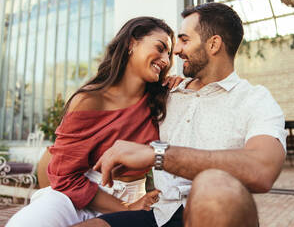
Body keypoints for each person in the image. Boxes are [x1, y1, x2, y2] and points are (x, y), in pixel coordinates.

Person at [74, 2, 287, 227]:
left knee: (214, 187)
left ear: (214, 44)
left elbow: (262, 169)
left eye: (185, 40)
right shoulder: (166, 92)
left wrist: (158, 155)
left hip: (214, 213)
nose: (175, 51)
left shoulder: (255, 99)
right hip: (159, 214)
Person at [7, 16, 178, 227]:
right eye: (160, 48)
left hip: (135, 201)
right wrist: (124, 208)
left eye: (169, 54)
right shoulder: (89, 100)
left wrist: (183, 87)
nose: (166, 60)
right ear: (131, 43)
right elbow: (64, 177)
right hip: (74, 197)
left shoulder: (162, 100)